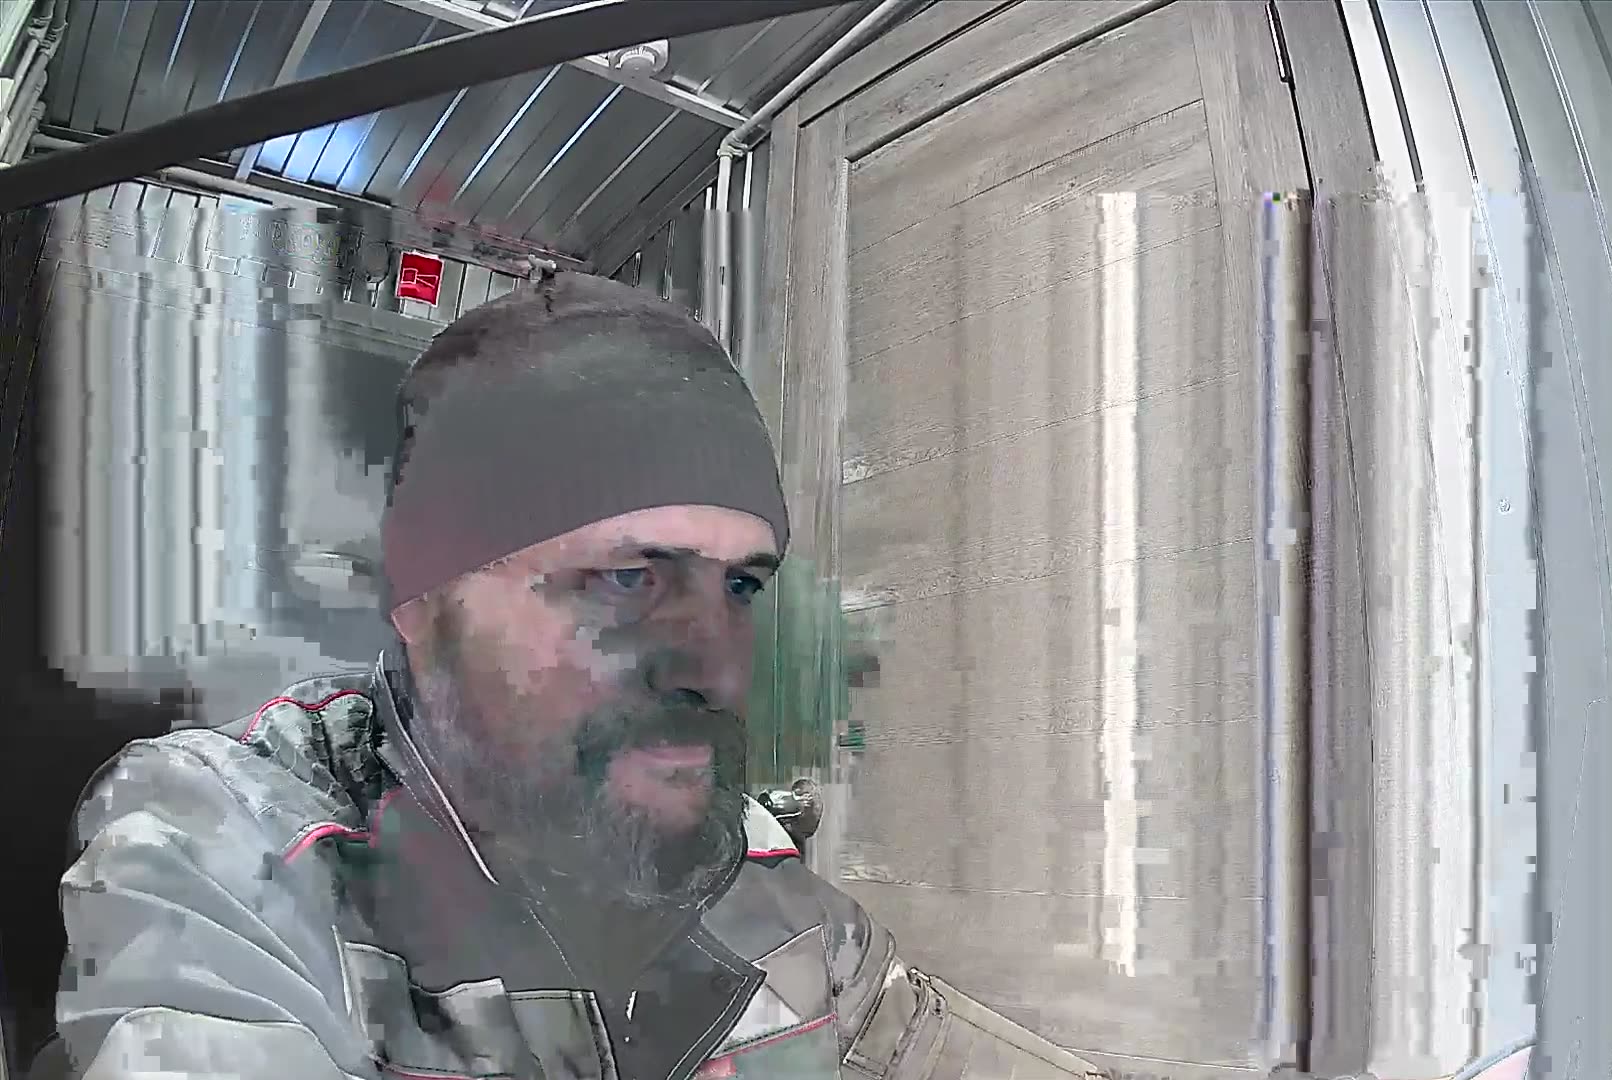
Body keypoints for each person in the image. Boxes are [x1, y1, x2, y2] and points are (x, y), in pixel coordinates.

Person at [40, 274, 1104, 1080]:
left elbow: (922, 1041)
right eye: (626, 580)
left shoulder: (754, 876)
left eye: (740, 586)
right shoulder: (228, 836)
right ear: (422, 602)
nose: (714, 667)